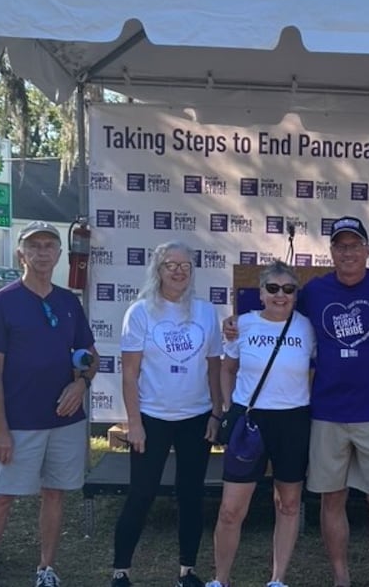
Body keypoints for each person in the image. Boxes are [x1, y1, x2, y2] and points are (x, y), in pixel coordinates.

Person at [223, 215, 369, 587]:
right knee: (331, 498)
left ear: (368, 250)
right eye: (340, 246)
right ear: (332, 252)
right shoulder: (315, 292)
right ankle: (341, 579)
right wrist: (236, 324)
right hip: (326, 412)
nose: (348, 252)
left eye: (355, 245)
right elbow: (278, 318)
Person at [0, 221, 98, 587]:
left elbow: (90, 355)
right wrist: (0, 429)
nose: (42, 252)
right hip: (20, 422)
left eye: (49, 245)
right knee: (3, 496)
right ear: (21, 254)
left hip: (64, 420)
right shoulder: (2, 303)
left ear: (59, 254)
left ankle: (46, 569)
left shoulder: (68, 302)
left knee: (54, 493)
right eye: (34, 246)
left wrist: (81, 384)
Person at [109, 241, 223, 587]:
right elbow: (129, 374)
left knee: (191, 495)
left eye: (185, 266)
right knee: (141, 494)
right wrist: (135, 424)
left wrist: (216, 414)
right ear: (157, 270)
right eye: (171, 265)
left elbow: (214, 368)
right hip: (152, 418)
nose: (178, 271)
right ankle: (121, 571)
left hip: (196, 418)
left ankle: (187, 571)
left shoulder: (205, 312)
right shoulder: (141, 312)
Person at [206, 261, 316, 587]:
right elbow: (228, 368)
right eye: (273, 288)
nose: (280, 295)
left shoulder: (307, 327)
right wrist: (230, 407)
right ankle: (220, 579)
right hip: (250, 418)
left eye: (288, 289)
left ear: (296, 295)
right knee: (230, 509)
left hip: (293, 420)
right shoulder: (242, 325)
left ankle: (278, 579)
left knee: (289, 503)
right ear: (261, 293)